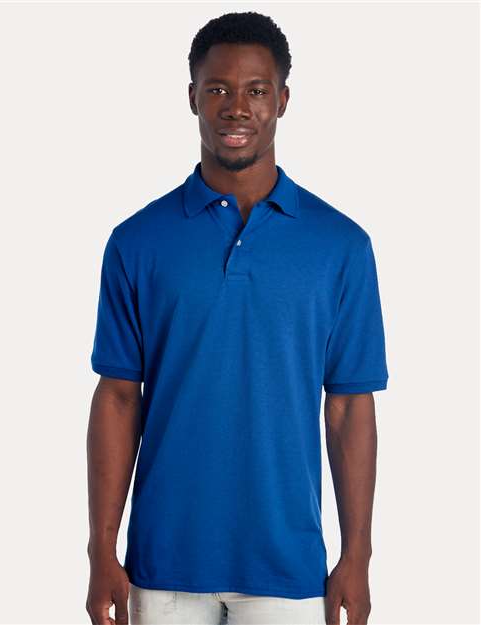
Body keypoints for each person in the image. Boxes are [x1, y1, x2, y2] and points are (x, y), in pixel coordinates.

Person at [86, 10, 389, 625]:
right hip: (162, 565)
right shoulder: (136, 241)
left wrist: (357, 556)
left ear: (282, 100)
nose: (237, 108)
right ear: (192, 97)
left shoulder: (342, 245)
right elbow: (117, 397)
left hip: (289, 568)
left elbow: (350, 406)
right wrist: (101, 552)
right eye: (218, 89)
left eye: (256, 90)